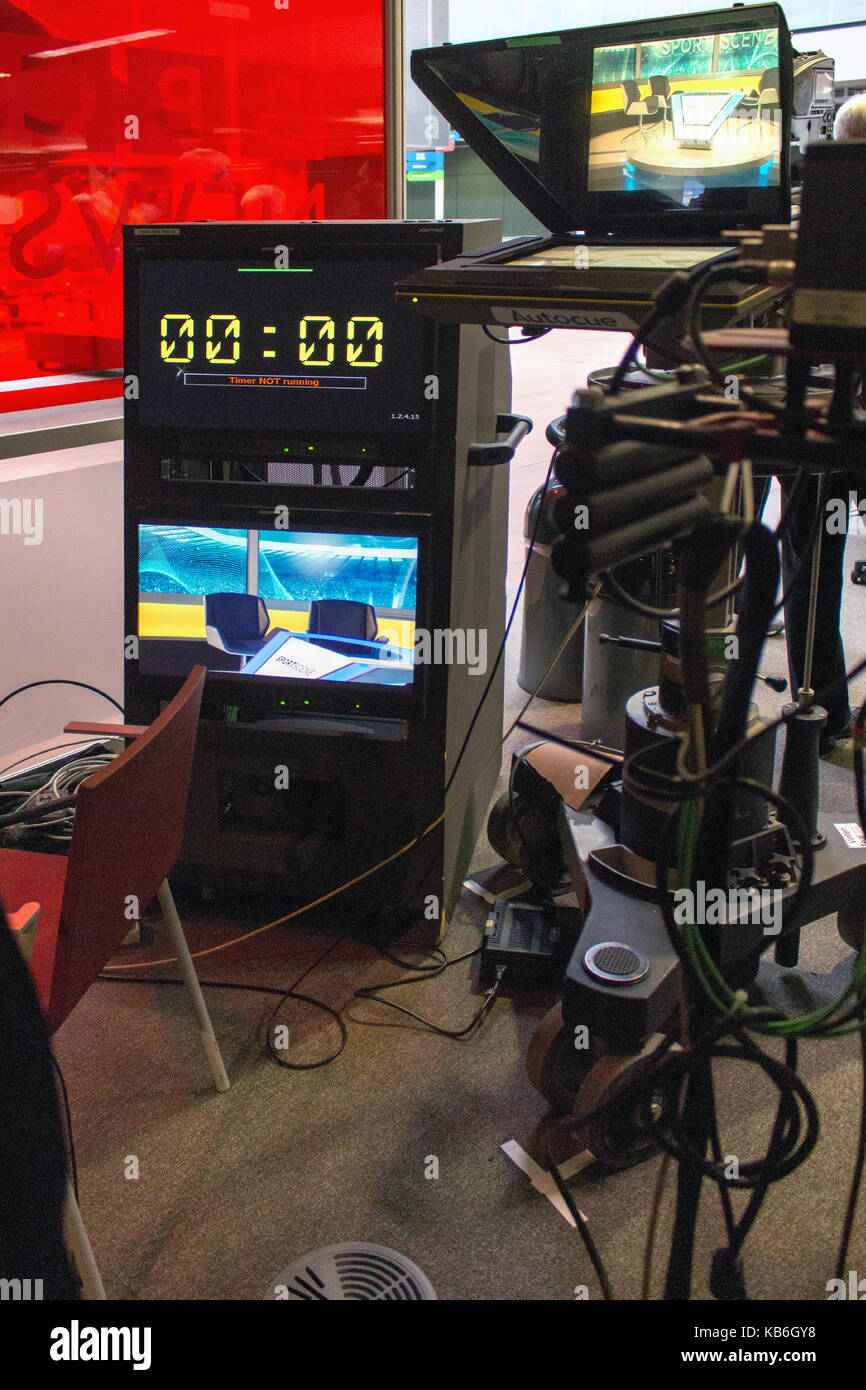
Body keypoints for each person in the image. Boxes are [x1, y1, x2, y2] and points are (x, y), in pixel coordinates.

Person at [779, 94, 866, 754]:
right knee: (812, 555)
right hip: (833, 412)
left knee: (811, 560)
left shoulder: (815, 221)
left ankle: (819, 708)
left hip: (820, 418)